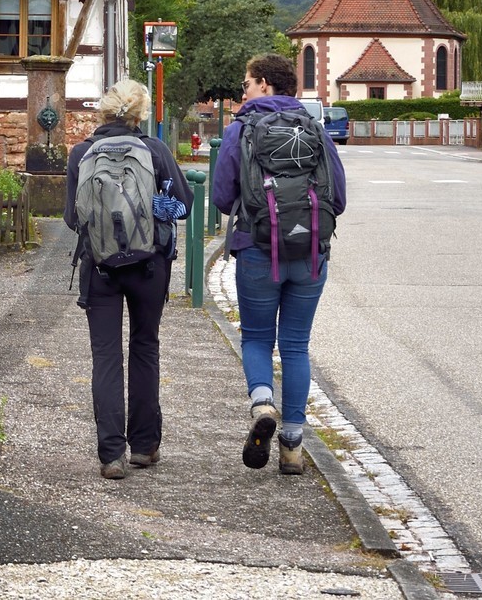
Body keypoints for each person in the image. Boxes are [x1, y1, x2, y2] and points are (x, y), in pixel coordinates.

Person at [212, 53, 347, 476]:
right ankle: (292, 447)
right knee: (295, 345)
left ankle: (262, 401)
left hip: (256, 250)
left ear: (266, 84)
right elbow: (338, 197)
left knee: (255, 337)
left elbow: (220, 196)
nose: (243, 91)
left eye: (248, 83)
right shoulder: (314, 129)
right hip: (309, 255)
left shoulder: (242, 129)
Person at [64, 78, 192, 480]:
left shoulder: (82, 153)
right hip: (148, 267)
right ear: (139, 115)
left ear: (102, 112)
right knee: (144, 348)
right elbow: (183, 206)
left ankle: (111, 455)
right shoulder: (154, 150)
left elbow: (72, 218)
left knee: (105, 357)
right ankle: (144, 446)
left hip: (100, 268)